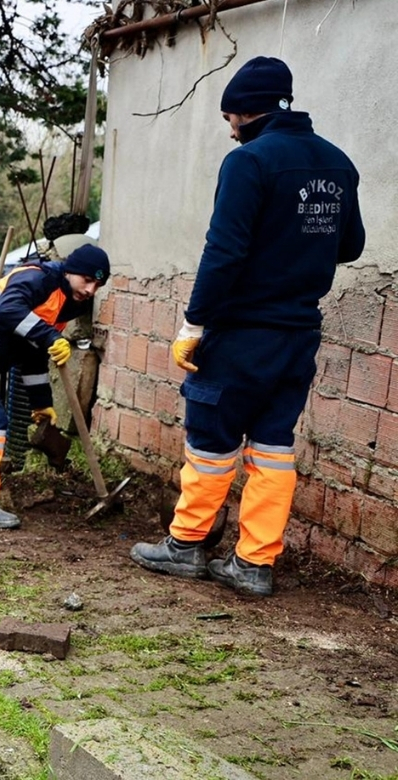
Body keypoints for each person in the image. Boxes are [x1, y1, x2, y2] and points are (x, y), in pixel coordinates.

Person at [130, 56, 365, 597]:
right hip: (299, 333)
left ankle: (187, 546)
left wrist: (194, 322)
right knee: (274, 445)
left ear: (241, 112)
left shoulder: (249, 162)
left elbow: (225, 249)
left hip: (240, 334)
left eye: (228, 118)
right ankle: (253, 563)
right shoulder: (338, 163)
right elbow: (349, 245)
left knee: (212, 440)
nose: (229, 129)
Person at [0, 244, 111, 530]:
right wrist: (51, 336)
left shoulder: (67, 303)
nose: (91, 289)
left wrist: (42, 402)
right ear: (71, 271)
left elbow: (32, 354)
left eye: (98, 285)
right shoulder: (38, 278)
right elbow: (8, 309)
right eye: (87, 279)